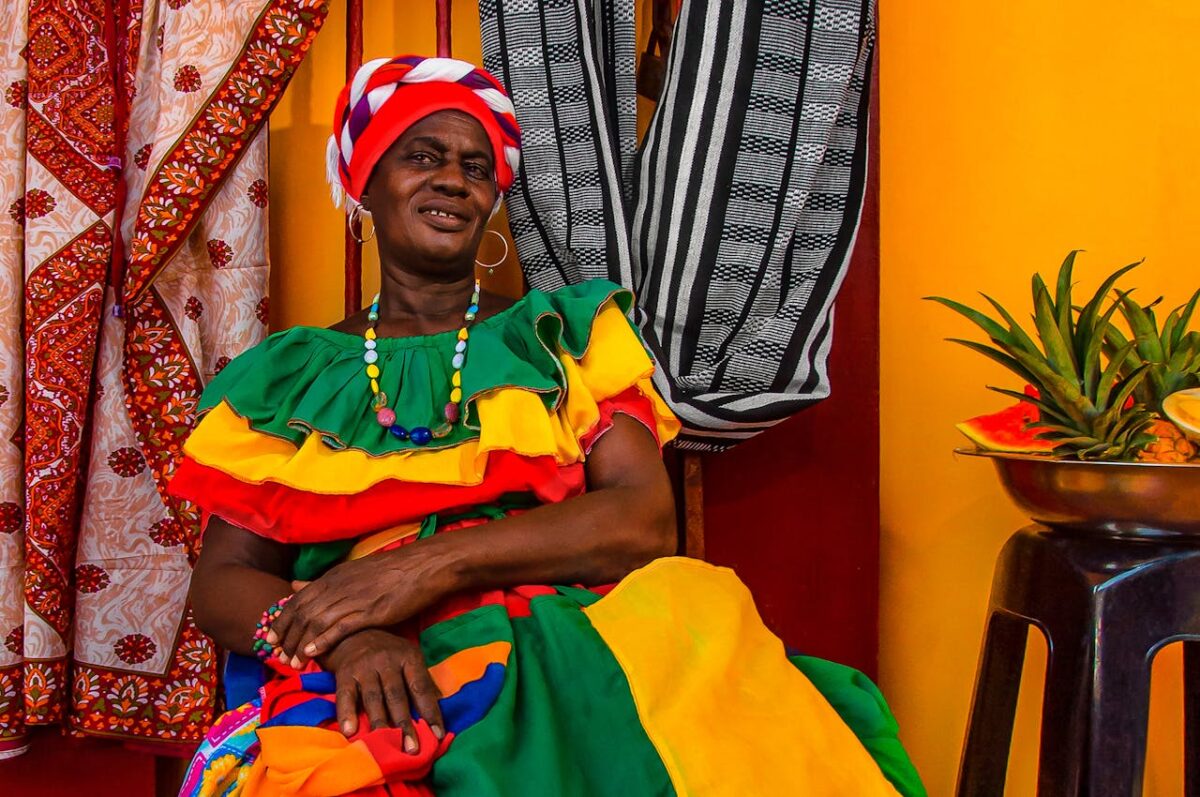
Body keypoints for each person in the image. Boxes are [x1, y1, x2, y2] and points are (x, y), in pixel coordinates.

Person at [171, 55, 923, 797]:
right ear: (365, 181)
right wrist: (342, 639)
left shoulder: (562, 337)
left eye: (476, 167)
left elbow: (642, 517)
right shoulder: (286, 375)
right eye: (422, 156)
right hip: (364, 658)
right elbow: (221, 581)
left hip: (567, 638)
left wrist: (421, 568)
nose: (453, 180)